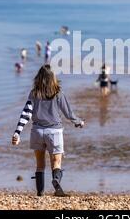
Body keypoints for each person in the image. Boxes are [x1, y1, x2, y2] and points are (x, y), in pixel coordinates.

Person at [12, 65, 85, 197]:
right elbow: (68, 113)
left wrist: (17, 132)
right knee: (56, 162)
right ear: (53, 78)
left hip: (37, 132)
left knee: (40, 165)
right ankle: (56, 181)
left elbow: (26, 114)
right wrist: (78, 122)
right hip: (54, 132)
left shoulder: (34, 93)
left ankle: (40, 192)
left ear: (38, 78)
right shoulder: (58, 93)